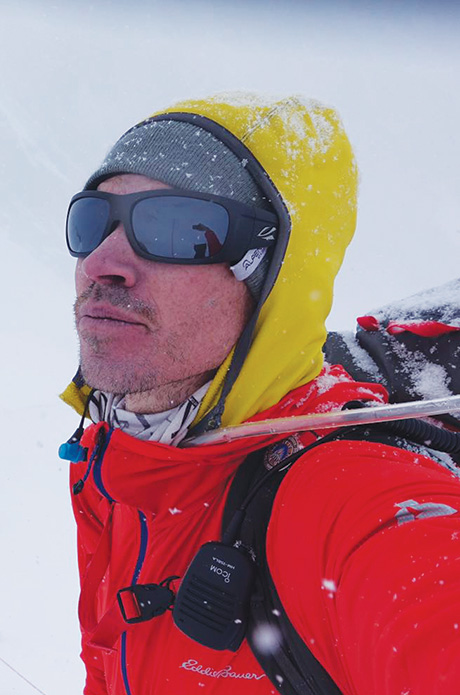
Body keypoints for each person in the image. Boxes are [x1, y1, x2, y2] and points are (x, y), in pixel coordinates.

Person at [60, 92, 460, 694]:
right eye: (93, 221)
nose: (101, 261)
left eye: (176, 229)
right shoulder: (114, 463)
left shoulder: (349, 497)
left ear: (273, 273)